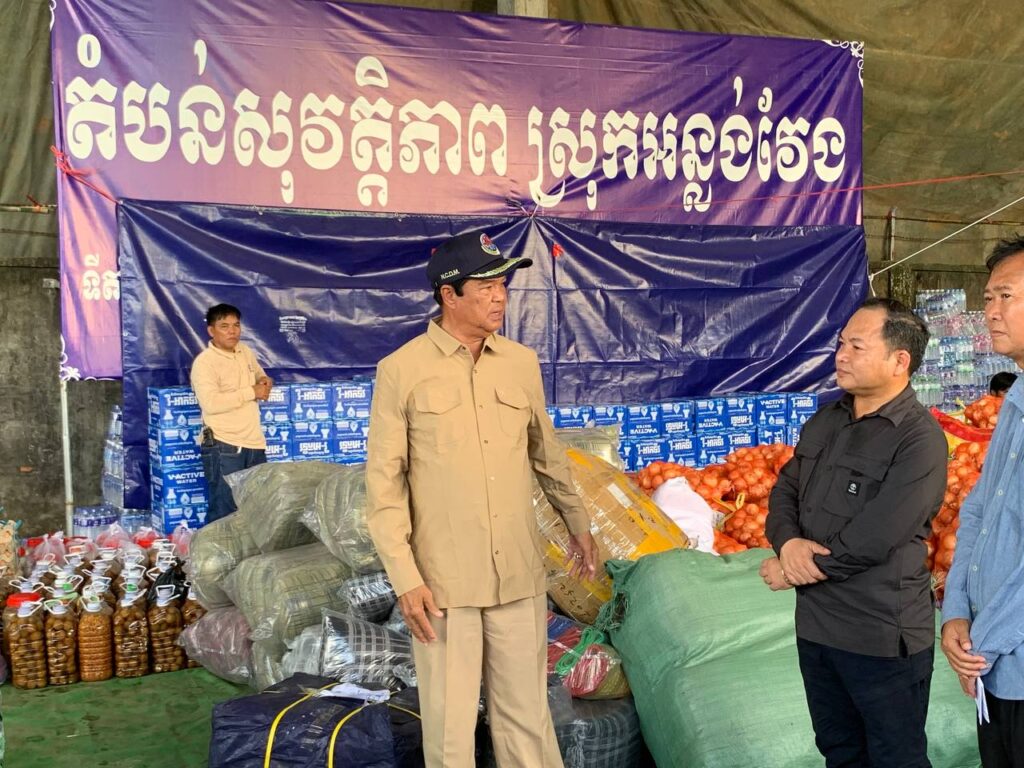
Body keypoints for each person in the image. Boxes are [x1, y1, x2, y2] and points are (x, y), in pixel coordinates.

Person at [365, 231, 598, 768]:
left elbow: (547, 453)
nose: (500, 297)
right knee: (450, 727)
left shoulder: (519, 362)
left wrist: (578, 522)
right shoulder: (402, 370)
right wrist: (406, 577)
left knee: (526, 718)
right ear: (449, 295)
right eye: (486, 286)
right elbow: (384, 485)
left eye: (503, 285)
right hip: (444, 583)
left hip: (517, 569)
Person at [761, 297, 948, 768]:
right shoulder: (827, 419)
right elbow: (785, 490)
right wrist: (787, 543)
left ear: (899, 361)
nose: (840, 356)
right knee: (840, 751)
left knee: (896, 758)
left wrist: (796, 569)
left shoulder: (919, 438)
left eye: (856, 347)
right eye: (841, 344)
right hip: (818, 630)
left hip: (881, 637)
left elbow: (878, 534)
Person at [941, 235, 1024, 767]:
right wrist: (954, 611)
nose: (990, 311)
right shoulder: (1015, 399)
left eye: (1005, 296)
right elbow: (978, 512)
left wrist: (982, 641)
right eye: (988, 298)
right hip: (995, 667)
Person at [190, 303, 271, 522]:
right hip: (224, 446)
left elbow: (259, 374)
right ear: (211, 331)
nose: (232, 331)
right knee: (224, 511)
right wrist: (251, 391)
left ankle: (249, 547)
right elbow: (211, 403)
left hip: (255, 444)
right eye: (224, 326)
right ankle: (214, 547)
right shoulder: (205, 363)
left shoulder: (245, 352)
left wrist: (264, 381)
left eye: (236, 325)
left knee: (256, 509)